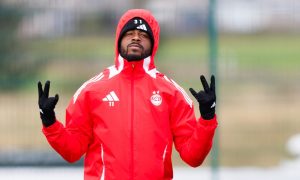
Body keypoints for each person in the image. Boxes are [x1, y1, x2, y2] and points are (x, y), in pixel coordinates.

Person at [37, 9, 218, 180]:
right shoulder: (92, 90)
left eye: (143, 35)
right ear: (119, 39)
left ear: (153, 43)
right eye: (130, 34)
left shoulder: (171, 93)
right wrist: (50, 122)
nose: (136, 38)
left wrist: (207, 119)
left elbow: (193, 157)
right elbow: (72, 150)